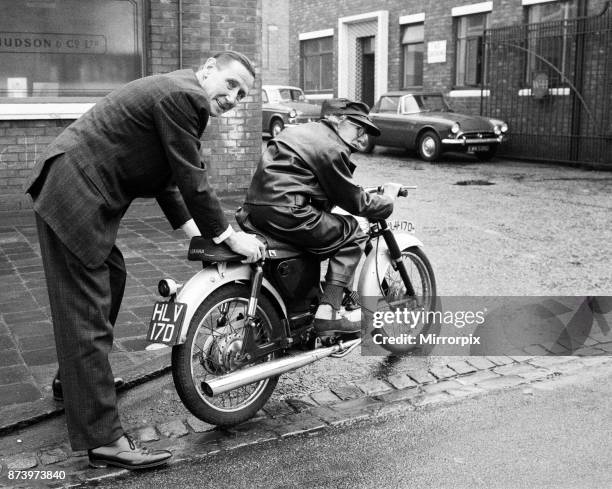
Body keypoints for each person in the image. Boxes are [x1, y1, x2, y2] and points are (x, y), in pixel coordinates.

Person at [25, 51, 266, 470]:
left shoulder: (176, 93)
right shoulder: (184, 96)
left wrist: (202, 242)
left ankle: (75, 383)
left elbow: (169, 185)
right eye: (230, 85)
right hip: (74, 194)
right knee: (88, 312)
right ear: (208, 68)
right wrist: (230, 236)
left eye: (242, 95)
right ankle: (103, 441)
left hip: (75, 188)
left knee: (112, 278)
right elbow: (193, 178)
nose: (233, 98)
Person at [236, 99, 401, 336]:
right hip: (290, 214)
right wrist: (388, 199)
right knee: (353, 231)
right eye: (358, 129)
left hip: (256, 211)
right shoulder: (331, 147)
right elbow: (356, 202)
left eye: (366, 133)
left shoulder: (297, 132)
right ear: (337, 120)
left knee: (322, 231)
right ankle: (328, 312)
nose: (363, 139)